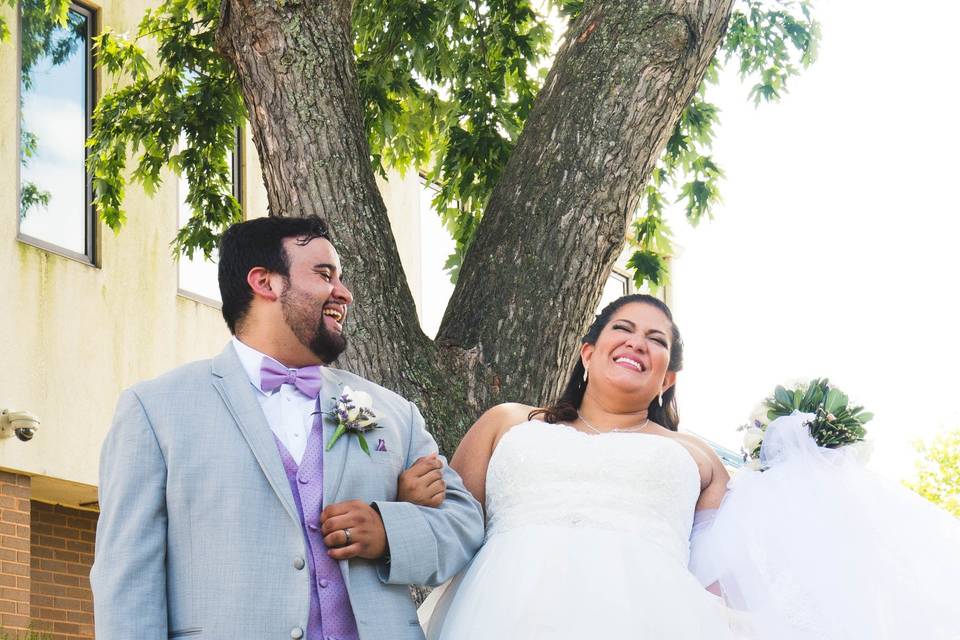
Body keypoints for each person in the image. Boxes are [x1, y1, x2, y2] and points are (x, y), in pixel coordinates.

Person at [91, 215, 485, 640]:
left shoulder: (393, 413)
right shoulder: (156, 411)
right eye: (324, 274)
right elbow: (127, 583)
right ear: (264, 282)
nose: (344, 292)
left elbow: (465, 524)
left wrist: (389, 531)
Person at [420, 293, 736, 639]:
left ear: (667, 380)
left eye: (656, 339)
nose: (636, 343)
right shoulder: (506, 422)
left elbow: (716, 582)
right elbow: (447, 528)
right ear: (587, 353)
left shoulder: (700, 459)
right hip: (496, 615)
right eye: (623, 329)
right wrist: (415, 497)